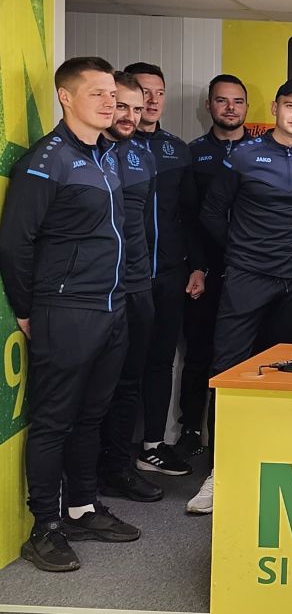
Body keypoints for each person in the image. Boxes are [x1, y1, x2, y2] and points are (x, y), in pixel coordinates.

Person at [0, 57, 139, 572]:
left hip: (111, 307)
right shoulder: (46, 160)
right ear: (65, 96)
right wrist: (27, 309)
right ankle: (46, 526)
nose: (109, 103)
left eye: (113, 95)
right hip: (66, 309)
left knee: (91, 415)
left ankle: (81, 508)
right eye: (98, 93)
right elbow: (16, 243)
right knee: (54, 420)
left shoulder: (107, 155)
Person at [193, 79, 292, 515]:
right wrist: (240, 252)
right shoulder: (243, 156)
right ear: (275, 108)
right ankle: (219, 471)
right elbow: (211, 213)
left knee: (290, 372)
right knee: (228, 371)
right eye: (290, 106)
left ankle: (279, 462)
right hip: (246, 278)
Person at [125, 62, 204, 478]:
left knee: (160, 361)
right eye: (144, 92)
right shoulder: (112, 146)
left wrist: (198, 266)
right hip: (125, 279)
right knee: (120, 365)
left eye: (159, 92)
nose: (152, 100)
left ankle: (153, 445)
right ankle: (110, 452)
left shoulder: (177, 149)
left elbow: (190, 215)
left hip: (170, 275)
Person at [97, 72, 163, 503]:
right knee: (94, 388)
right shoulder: (85, 154)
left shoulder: (143, 156)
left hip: (138, 287)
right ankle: (84, 474)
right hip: (95, 291)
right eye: (122, 106)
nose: (130, 116)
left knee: (129, 383)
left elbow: (145, 226)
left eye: (137, 109)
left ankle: (118, 469)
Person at [179, 74, 251, 456]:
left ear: (247, 107)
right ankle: (190, 430)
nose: (230, 108)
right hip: (206, 270)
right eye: (222, 100)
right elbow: (189, 219)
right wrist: (198, 265)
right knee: (200, 353)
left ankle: (238, 433)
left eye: (237, 101)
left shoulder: (261, 152)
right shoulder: (192, 154)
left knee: (246, 356)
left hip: (251, 271)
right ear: (209, 105)